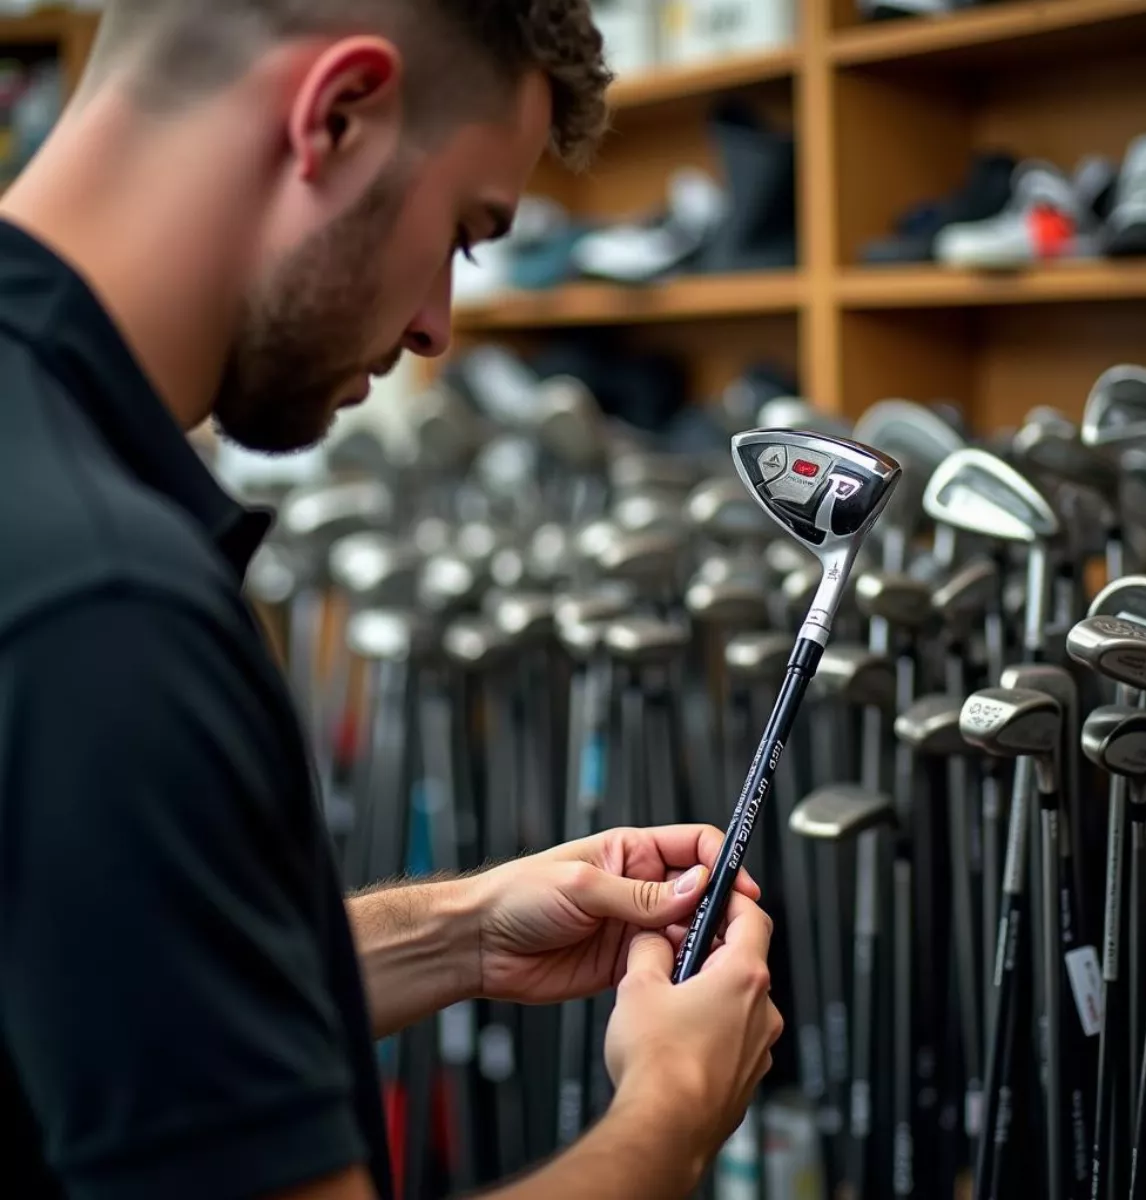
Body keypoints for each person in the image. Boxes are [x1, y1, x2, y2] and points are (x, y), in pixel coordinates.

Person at [0, 3, 783, 1199]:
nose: (437, 327)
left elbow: (95, 989)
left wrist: (461, 931)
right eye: (465, 233)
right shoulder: (106, 613)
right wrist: (672, 1112)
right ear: (339, 116)